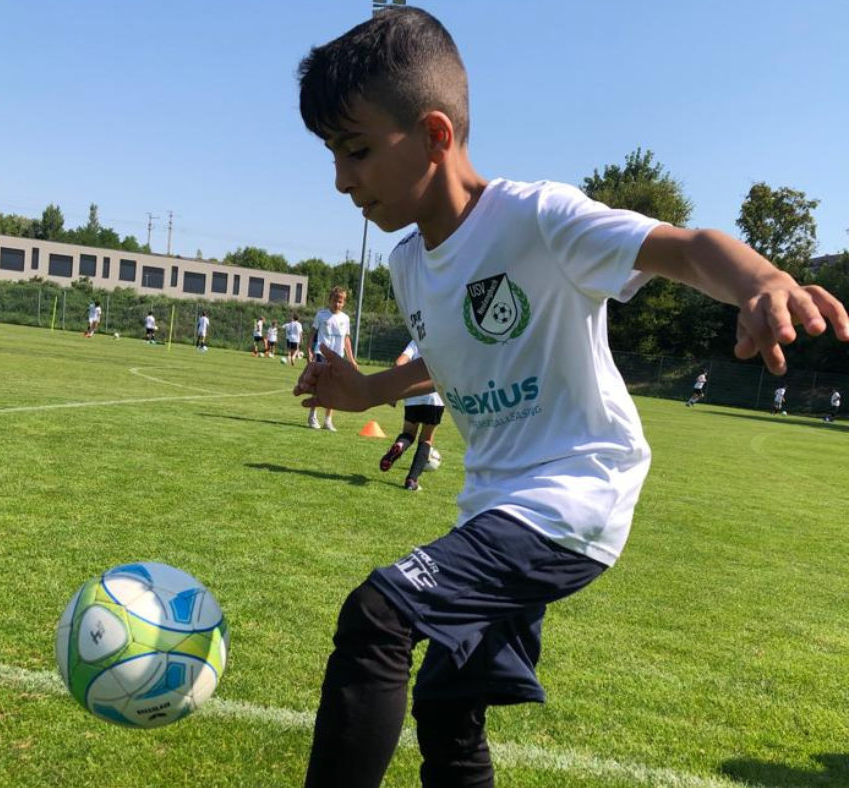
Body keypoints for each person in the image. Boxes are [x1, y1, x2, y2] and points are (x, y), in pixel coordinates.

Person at [293, 9, 849, 788]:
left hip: (576, 490)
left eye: (356, 151)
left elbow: (682, 246)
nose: (342, 179)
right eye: (331, 155)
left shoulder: (537, 217)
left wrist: (763, 281)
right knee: (449, 706)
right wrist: (369, 390)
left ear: (434, 135)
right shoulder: (408, 265)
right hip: (493, 508)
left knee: (379, 615)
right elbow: (456, 363)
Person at [380, 340, 446, 491]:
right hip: (435, 397)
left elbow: (399, 363)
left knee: (408, 433)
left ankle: (399, 445)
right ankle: (411, 480)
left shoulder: (417, 340)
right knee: (426, 439)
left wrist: (395, 388)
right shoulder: (444, 340)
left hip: (413, 394)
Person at [306, 286, 358, 431]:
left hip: (337, 358)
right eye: (335, 300)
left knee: (333, 389)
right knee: (319, 386)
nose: (337, 304)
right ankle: (312, 416)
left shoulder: (345, 319)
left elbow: (346, 340)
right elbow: (312, 334)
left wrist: (351, 359)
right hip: (321, 354)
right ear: (330, 300)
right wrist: (309, 350)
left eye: (341, 301)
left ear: (344, 303)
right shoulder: (321, 315)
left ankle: (328, 420)